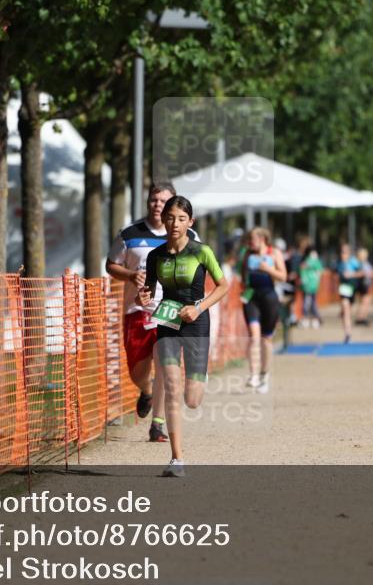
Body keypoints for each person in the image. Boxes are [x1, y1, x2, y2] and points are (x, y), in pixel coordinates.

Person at [137, 196, 229, 477]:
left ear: (191, 222)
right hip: (167, 322)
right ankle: (177, 459)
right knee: (172, 389)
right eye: (170, 218)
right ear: (163, 220)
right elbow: (149, 292)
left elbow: (223, 286)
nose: (174, 224)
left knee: (192, 398)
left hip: (197, 322)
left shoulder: (201, 252)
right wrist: (143, 297)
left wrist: (198, 307)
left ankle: (199, 378)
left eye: (180, 218)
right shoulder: (155, 256)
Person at [106, 180, 198, 443]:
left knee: (164, 363)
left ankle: (157, 424)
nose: (158, 205)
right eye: (153, 200)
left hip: (170, 307)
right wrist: (131, 274)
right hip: (137, 309)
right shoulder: (129, 233)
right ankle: (145, 391)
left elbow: (200, 266)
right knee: (138, 370)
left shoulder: (189, 235)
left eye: (164, 201)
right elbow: (111, 265)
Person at [240, 227, 287, 393]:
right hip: (251, 297)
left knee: (266, 339)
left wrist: (268, 269)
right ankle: (253, 374)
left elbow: (283, 276)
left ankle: (264, 375)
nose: (249, 242)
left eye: (252, 239)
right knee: (253, 336)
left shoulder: (274, 253)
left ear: (262, 239)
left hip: (269, 297)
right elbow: (243, 274)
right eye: (249, 239)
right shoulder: (247, 254)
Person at [338, 243, 363, 342]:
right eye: (342, 252)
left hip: (353, 289)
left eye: (345, 252)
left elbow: (361, 273)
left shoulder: (354, 262)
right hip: (343, 290)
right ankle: (347, 333)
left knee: (347, 310)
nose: (343, 254)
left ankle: (348, 330)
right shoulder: (339, 263)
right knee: (346, 308)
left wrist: (352, 274)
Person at [299, 245, 324, 328]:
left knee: (312, 303)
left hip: (313, 286)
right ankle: (307, 319)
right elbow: (302, 269)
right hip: (308, 286)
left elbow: (319, 271)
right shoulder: (308, 261)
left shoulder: (315, 261)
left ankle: (314, 319)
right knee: (308, 303)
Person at [355, 247, 373, 325]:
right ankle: (360, 318)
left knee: (365, 302)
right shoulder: (361, 263)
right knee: (365, 301)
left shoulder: (363, 263)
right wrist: (369, 273)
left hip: (366, 284)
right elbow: (363, 273)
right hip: (364, 284)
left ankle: (362, 317)